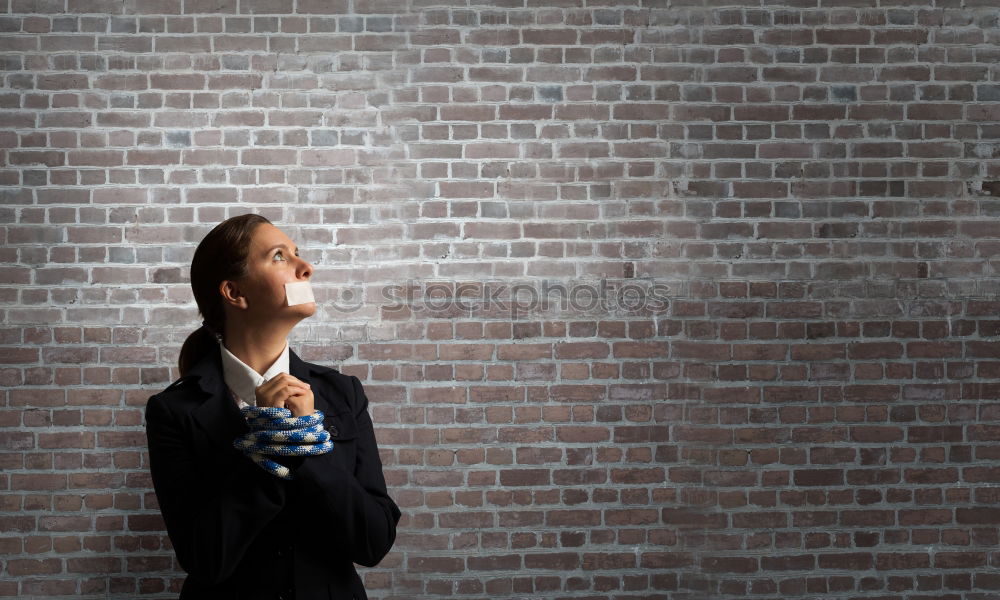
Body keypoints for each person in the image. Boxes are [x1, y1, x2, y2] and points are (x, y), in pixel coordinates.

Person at [144, 213, 400, 600]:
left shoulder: (343, 393)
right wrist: (269, 442)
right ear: (234, 293)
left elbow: (374, 542)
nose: (306, 268)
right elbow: (205, 559)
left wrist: (305, 438)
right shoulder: (174, 410)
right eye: (280, 256)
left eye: (298, 254)